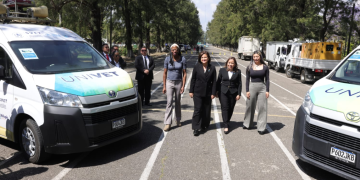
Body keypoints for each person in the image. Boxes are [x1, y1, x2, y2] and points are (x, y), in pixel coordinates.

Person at [189, 51, 217, 136]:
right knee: (197, 110)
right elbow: (193, 79)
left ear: (208, 58)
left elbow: (214, 82)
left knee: (206, 110)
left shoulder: (212, 67)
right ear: (200, 59)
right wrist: (191, 91)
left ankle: (204, 125)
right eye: (202, 57)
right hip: (197, 92)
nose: (203, 59)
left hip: (208, 93)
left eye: (205, 57)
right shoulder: (197, 66)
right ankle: (196, 128)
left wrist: (213, 93)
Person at [243, 50, 270, 135]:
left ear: (260, 57)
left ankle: (261, 127)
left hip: (262, 87)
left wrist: (267, 90)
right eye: (254, 57)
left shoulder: (265, 67)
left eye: (257, 56)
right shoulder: (249, 67)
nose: (255, 58)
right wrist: (247, 90)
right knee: (250, 105)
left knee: (262, 107)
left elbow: (268, 80)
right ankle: (247, 124)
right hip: (252, 87)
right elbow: (247, 79)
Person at [162, 44, 187, 131]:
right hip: (169, 82)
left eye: (175, 49)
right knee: (169, 102)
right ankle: (167, 123)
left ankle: (178, 119)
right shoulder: (167, 59)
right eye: (172, 49)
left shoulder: (182, 59)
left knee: (177, 102)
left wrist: (183, 86)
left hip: (178, 82)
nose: (174, 51)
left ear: (178, 50)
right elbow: (165, 73)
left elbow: (184, 74)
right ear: (171, 50)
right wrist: (164, 86)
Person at [216, 57, 242, 134]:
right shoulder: (222, 70)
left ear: (235, 64)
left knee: (231, 108)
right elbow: (218, 81)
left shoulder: (238, 72)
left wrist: (239, 94)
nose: (230, 64)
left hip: (233, 92)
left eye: (232, 63)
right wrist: (216, 91)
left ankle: (227, 120)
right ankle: (226, 125)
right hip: (223, 91)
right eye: (229, 62)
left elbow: (239, 83)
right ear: (227, 63)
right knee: (225, 107)